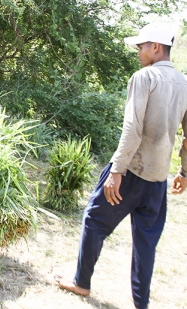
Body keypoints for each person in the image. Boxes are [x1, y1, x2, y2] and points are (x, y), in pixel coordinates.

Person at [55, 23, 187, 309]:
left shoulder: (144, 77)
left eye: (141, 46)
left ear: (156, 47)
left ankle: (82, 283)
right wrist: (184, 172)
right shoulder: (185, 83)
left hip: (130, 172)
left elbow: (132, 129)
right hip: (158, 177)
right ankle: (141, 304)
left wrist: (116, 172)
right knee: (146, 243)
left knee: (94, 220)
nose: (138, 51)